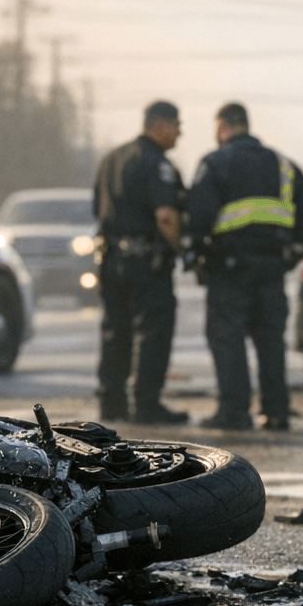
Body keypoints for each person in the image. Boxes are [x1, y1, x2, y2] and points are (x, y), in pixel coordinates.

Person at [184, 102, 303, 431]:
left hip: (229, 268)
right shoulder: (285, 166)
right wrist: (287, 257)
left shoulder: (215, 163)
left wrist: (195, 254)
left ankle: (234, 412)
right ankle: (276, 412)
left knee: (228, 339)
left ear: (222, 126)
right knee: (271, 340)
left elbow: (198, 218)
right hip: (272, 268)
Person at [91, 100, 189, 424]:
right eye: (177, 125)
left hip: (110, 259)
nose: (180, 133)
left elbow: (98, 209)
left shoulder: (111, 160)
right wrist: (178, 248)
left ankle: (111, 403)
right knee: (153, 331)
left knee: (114, 331)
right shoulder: (157, 163)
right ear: (159, 125)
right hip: (146, 263)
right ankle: (147, 404)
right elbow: (166, 215)